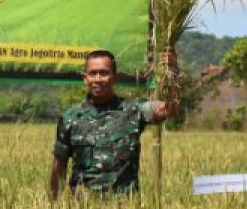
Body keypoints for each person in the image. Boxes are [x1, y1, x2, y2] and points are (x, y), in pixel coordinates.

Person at [49, 48, 179, 198]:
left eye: (104, 73)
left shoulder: (133, 110)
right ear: (85, 78)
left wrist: (172, 73)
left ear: (115, 77)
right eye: (93, 73)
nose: (98, 79)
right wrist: (54, 207)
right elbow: (59, 166)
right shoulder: (70, 118)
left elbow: (170, 109)